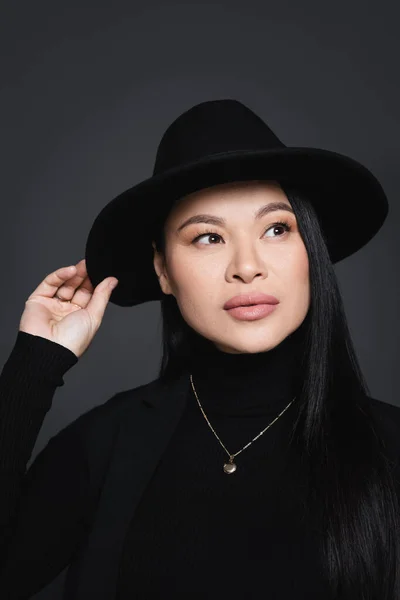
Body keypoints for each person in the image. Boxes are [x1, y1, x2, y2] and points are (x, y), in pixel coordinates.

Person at [0, 99, 400, 600]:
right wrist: (35, 364)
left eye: (277, 229)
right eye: (208, 237)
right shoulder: (105, 447)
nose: (247, 266)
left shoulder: (389, 446)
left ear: (311, 252)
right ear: (163, 271)